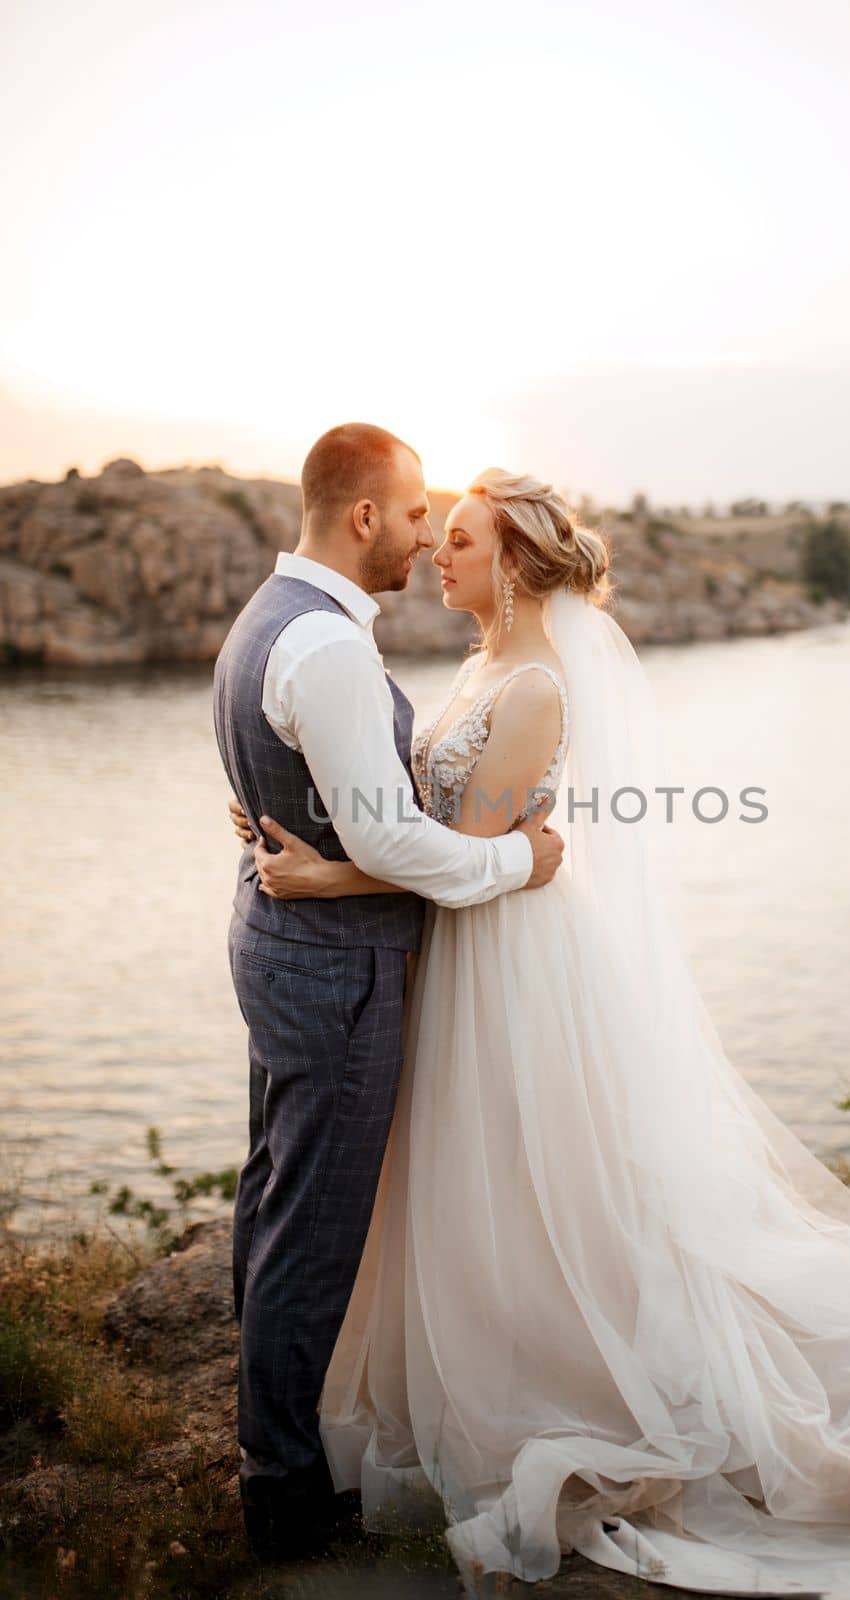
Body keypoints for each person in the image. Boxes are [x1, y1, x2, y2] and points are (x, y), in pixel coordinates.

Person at [227, 468, 850, 1599]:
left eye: (463, 539)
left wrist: (329, 876)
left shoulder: (532, 693)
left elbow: (459, 874)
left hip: (507, 949)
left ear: (517, 565)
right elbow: (414, 828)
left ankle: (545, 1368)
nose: (443, 553)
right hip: (470, 937)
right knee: (474, 1174)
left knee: (527, 1177)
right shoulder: (481, 666)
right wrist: (327, 817)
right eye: (440, 533)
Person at [212, 425, 564, 1564]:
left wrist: (316, 854)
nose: (423, 538)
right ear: (364, 516)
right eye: (417, 516)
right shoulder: (323, 648)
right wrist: (519, 863)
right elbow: (398, 838)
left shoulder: (274, 622)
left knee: (276, 1198)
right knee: (308, 1227)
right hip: (334, 971)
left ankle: (276, 1447)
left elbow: (339, 804)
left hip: (287, 943)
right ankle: (283, 1491)